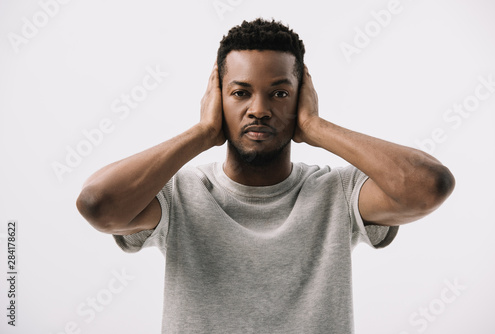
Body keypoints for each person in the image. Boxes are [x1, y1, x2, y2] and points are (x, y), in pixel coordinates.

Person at [76, 18, 455, 334]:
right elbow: (98, 204)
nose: (258, 109)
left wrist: (315, 127)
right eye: (240, 93)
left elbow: (428, 187)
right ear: (217, 98)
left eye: (279, 94)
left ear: (301, 97)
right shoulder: (180, 194)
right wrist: (203, 133)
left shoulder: (336, 193)